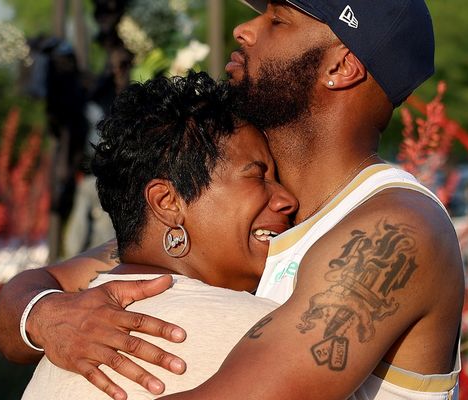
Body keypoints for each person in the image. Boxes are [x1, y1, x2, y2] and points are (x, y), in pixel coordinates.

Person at [0, 0, 464, 398]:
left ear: (341, 66)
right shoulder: (249, 215)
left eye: (277, 20)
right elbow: (31, 293)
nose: (244, 30)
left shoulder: (393, 229)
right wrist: (46, 316)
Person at [23, 71, 297, 399]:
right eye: (257, 176)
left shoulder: (65, 341)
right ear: (167, 202)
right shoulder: (267, 334)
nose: (287, 200)